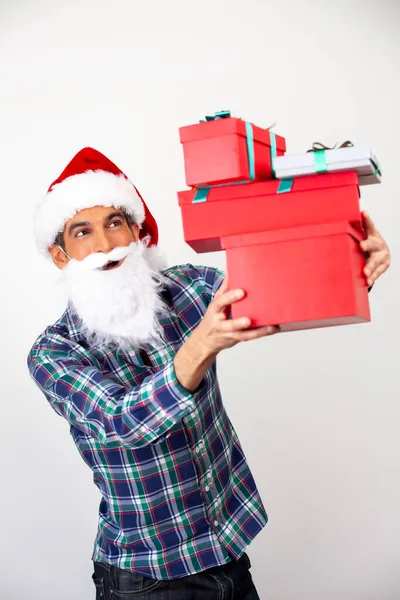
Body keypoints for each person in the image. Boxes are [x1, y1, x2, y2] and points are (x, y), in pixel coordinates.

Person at [27, 147, 391, 599]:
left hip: (229, 550)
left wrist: (354, 263)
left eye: (115, 223)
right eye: (83, 232)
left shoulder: (190, 288)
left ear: (137, 234)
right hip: (148, 578)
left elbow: (279, 293)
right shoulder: (52, 353)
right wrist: (202, 344)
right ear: (62, 257)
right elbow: (123, 422)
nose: (106, 245)